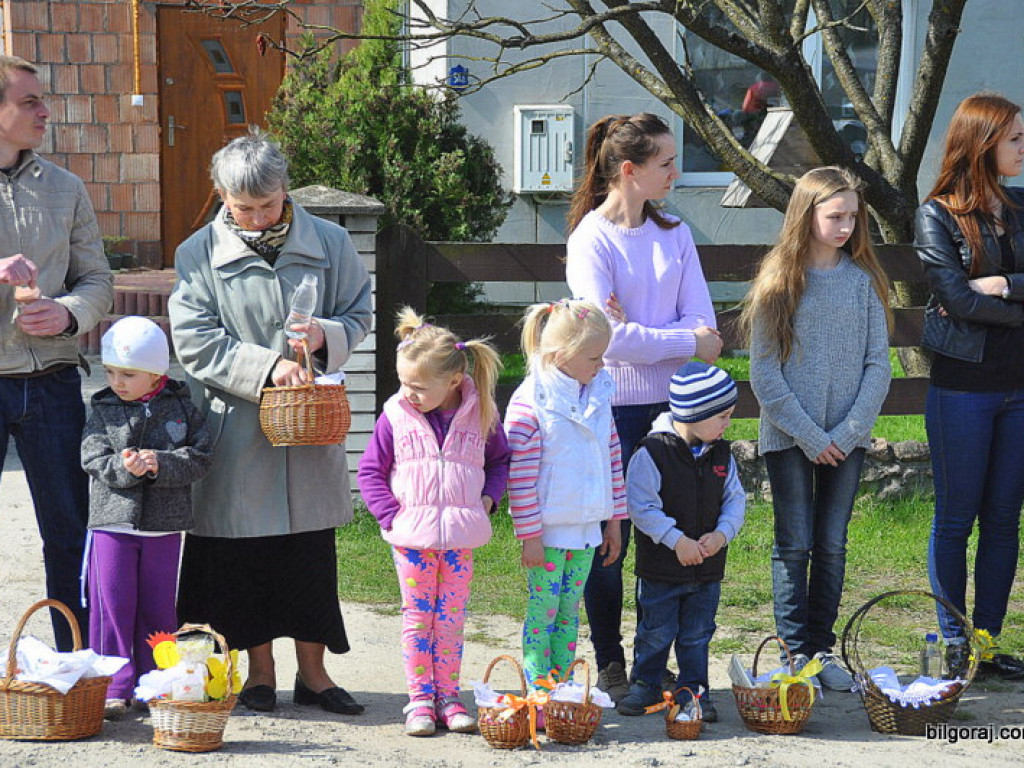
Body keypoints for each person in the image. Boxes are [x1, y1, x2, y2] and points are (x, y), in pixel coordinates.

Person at [168, 128, 373, 714]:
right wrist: (265, 368)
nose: (258, 218)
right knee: (245, 556)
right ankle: (260, 674)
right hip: (236, 430)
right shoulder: (196, 254)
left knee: (309, 554)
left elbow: (358, 312)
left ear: (286, 188)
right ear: (221, 196)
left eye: (269, 204)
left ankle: (316, 677)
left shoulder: (332, 242)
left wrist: (326, 336)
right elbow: (194, 341)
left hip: (308, 429)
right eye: (244, 208)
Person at [564, 112, 720, 701]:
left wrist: (645, 333)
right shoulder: (590, 240)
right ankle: (611, 660)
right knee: (611, 537)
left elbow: (704, 322)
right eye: (666, 163)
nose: (676, 173)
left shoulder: (675, 233)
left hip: (673, 412)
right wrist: (679, 339)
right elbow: (604, 336)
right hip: (612, 411)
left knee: (669, 534)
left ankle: (659, 659)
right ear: (629, 171)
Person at [742, 166, 892, 691]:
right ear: (806, 215)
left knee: (831, 544)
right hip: (789, 438)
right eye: (835, 216)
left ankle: (821, 650)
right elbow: (764, 373)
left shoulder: (862, 283)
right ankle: (792, 654)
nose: (847, 225)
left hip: (845, 441)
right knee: (794, 543)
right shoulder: (777, 282)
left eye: (853, 216)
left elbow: (879, 365)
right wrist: (810, 435)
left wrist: (847, 434)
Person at [0, 55, 112, 651]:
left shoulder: (66, 187)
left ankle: (80, 667)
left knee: (70, 529)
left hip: (53, 381)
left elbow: (98, 280)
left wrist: (70, 312)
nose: (45, 112)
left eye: (42, 100)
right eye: (28, 102)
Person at [357, 308, 509, 737]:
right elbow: (370, 471)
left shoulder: (482, 415)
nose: (409, 393)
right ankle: (420, 700)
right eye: (404, 383)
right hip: (411, 540)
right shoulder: (396, 416)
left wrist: (488, 499)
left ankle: (449, 696)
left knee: (451, 619)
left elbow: (500, 460)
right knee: (418, 618)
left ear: (455, 382)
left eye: (419, 387)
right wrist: (391, 514)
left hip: (460, 538)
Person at [915, 92, 1024, 680]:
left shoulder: (1022, 205)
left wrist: (1003, 283)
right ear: (983, 143)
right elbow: (955, 298)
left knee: (1004, 519)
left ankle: (985, 640)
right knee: (957, 519)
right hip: (962, 389)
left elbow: (977, 296)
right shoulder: (937, 214)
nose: (1023, 148)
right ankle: (953, 638)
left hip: (1019, 390)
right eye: (1015, 139)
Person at [81, 316, 214, 719]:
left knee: (159, 607)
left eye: (128, 374)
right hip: (112, 524)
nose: (117, 381)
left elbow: (201, 458)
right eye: (110, 372)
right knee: (114, 604)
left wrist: (160, 464)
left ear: (156, 372)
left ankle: (155, 682)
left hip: (164, 527)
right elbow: (91, 455)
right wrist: (124, 469)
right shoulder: (103, 407)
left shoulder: (182, 407)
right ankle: (114, 685)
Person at [504, 299, 627, 702]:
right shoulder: (531, 403)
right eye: (594, 357)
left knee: (570, 613)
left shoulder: (599, 394)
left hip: (587, 529)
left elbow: (612, 458)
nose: (602, 365)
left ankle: (563, 692)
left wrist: (613, 520)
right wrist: (530, 534)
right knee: (543, 614)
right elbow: (519, 477)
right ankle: (539, 691)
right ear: (562, 355)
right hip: (549, 531)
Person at [617, 362, 745, 723]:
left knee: (697, 634)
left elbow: (735, 499)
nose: (728, 424)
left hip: (707, 568)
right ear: (693, 414)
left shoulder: (722, 454)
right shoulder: (652, 452)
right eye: (722, 416)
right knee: (656, 631)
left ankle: (694, 690)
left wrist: (722, 534)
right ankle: (646, 682)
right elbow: (640, 506)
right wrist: (676, 541)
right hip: (661, 568)